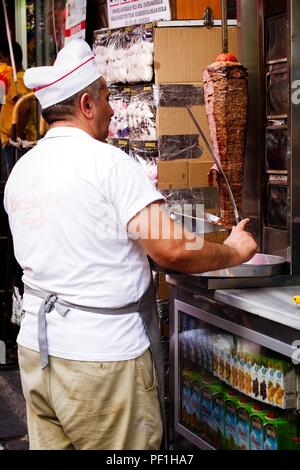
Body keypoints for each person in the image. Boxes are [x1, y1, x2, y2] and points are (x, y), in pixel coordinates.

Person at [3, 39, 257, 450]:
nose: (113, 108)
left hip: (37, 352)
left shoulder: (24, 167)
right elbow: (171, 249)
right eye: (106, 98)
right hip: (100, 361)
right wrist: (235, 250)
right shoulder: (107, 164)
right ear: (86, 104)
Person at [0, 41, 36, 180]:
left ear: (8, 57)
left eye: (2, 57)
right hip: (10, 140)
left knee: (14, 179)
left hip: (13, 142)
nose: (1, 61)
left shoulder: (18, 80)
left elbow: (25, 106)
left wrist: (16, 137)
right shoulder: (17, 77)